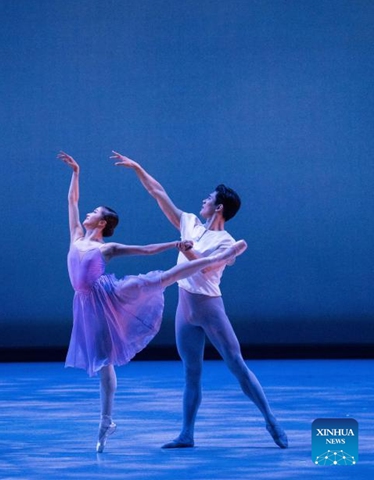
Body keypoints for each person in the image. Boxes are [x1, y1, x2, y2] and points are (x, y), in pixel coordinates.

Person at [57, 151, 247, 453]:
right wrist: (76, 172)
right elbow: (72, 202)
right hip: (86, 306)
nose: (87, 213)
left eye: (94, 212)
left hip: (111, 295)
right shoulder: (76, 235)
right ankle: (107, 420)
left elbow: (145, 251)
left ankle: (218, 258)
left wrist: (174, 244)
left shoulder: (108, 248)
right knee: (104, 362)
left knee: (161, 278)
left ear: (103, 222)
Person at [111, 150, 288, 449]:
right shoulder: (190, 223)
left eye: (208, 199)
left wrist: (188, 249)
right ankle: (187, 434)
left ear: (218, 208)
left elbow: (204, 264)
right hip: (185, 308)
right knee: (191, 372)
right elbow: (159, 193)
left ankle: (271, 420)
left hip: (209, 309)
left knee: (236, 365)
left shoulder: (226, 242)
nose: (202, 201)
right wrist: (137, 167)